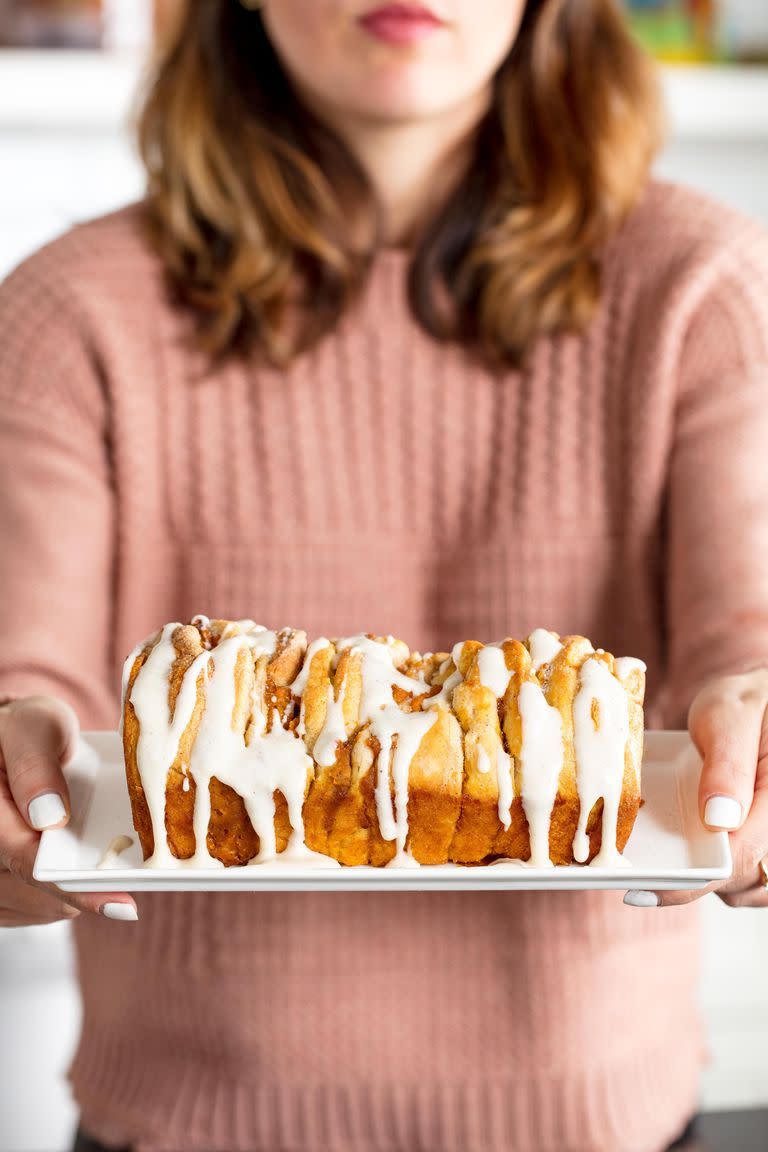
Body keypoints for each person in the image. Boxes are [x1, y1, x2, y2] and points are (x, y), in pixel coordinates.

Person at [1, 1, 767, 1150]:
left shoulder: (705, 290)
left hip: (599, 1120)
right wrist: (18, 809)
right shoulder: (67, 316)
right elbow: (27, 686)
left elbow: (746, 641)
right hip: (181, 1122)